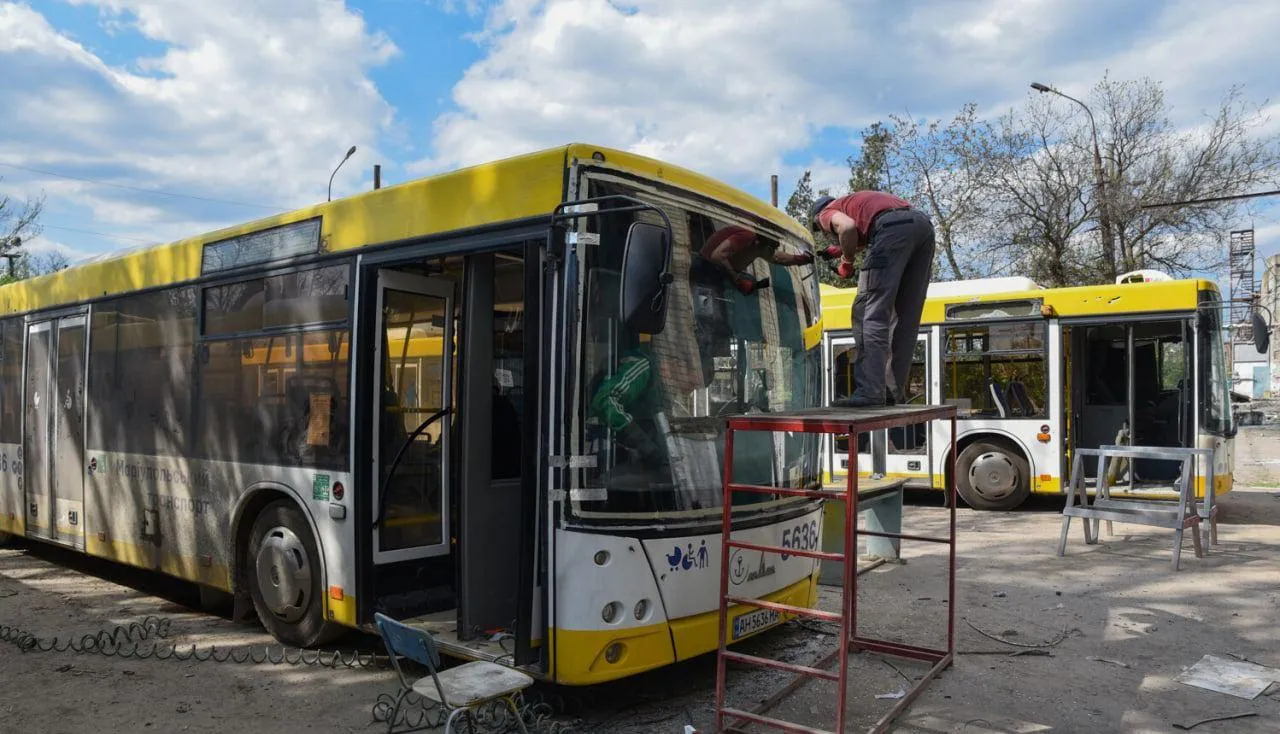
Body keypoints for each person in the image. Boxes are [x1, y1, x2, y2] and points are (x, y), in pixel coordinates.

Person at [810, 192, 935, 407]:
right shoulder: (860, 202)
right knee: (905, 318)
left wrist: (847, 261)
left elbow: (847, 228)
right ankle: (891, 391)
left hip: (891, 229)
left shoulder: (825, 214)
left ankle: (870, 391)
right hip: (923, 227)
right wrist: (839, 249)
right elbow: (864, 231)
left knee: (868, 312)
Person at [699, 224, 815, 295]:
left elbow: (775, 257)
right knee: (715, 323)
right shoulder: (747, 235)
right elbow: (717, 255)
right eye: (772, 247)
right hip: (705, 271)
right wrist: (737, 281)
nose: (778, 244)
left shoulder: (759, 244)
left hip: (718, 274)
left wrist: (800, 259)